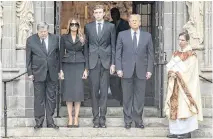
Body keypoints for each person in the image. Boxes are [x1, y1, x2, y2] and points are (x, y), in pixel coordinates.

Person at [116, 14, 154, 129]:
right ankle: (127, 120)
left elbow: (150, 54)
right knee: (126, 97)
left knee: (139, 97)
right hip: (126, 70)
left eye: (136, 20)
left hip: (142, 71)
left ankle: (138, 120)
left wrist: (149, 70)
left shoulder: (147, 36)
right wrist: (119, 68)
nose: (134, 22)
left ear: (140, 22)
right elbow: (118, 53)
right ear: (129, 23)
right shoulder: (122, 35)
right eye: (132, 21)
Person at [165, 32, 203, 139]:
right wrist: (171, 73)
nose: (180, 42)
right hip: (175, 85)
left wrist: (178, 74)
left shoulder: (192, 55)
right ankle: (175, 131)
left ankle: (186, 132)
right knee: (175, 107)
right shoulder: (175, 54)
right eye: (179, 40)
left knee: (185, 108)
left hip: (186, 87)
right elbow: (170, 66)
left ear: (187, 41)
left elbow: (190, 73)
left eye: (182, 40)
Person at [84, 4, 116, 128]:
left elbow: (113, 45)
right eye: (96, 12)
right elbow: (86, 48)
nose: (98, 14)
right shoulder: (88, 27)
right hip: (92, 63)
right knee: (93, 91)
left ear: (104, 14)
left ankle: (103, 118)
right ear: (93, 14)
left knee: (104, 92)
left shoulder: (111, 26)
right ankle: (95, 118)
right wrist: (86, 66)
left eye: (100, 12)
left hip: (106, 62)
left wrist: (113, 63)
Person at [26, 22, 60, 129]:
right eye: (41, 32)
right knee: (39, 98)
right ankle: (39, 122)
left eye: (45, 31)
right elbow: (28, 58)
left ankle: (50, 122)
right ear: (37, 31)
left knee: (51, 98)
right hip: (38, 73)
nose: (43, 34)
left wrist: (59, 70)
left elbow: (58, 56)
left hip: (52, 73)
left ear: (48, 30)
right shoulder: (31, 40)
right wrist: (30, 72)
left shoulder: (55, 38)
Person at [59, 18, 88, 128]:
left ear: (78, 26)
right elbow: (61, 53)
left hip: (80, 65)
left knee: (78, 92)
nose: (74, 26)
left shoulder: (83, 37)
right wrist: (60, 70)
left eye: (76, 24)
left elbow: (86, 53)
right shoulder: (64, 38)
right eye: (72, 24)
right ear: (69, 26)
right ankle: (69, 118)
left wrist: (86, 69)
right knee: (68, 92)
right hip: (67, 65)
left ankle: (76, 117)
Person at [109, 7, 130, 106]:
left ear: (118, 14)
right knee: (113, 78)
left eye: (115, 13)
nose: (114, 15)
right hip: (112, 52)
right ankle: (116, 96)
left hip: (123, 52)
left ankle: (123, 98)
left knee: (123, 77)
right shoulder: (110, 25)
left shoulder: (125, 24)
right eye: (112, 14)